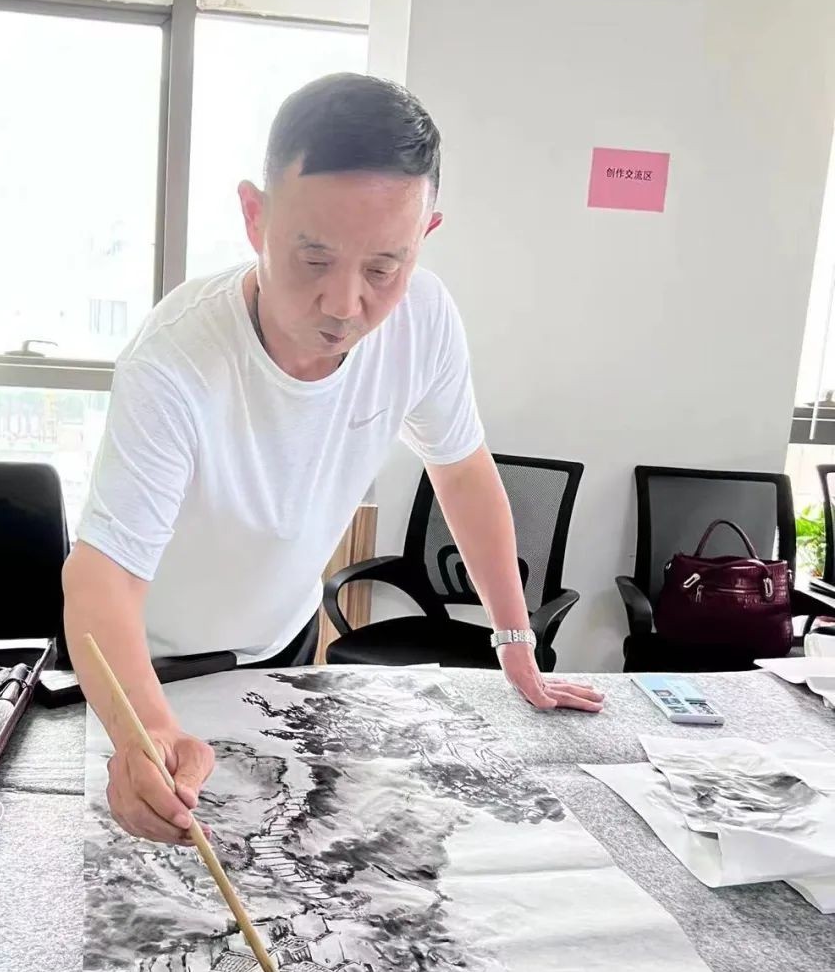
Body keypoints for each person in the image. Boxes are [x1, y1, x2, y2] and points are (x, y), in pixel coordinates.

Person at [64, 73, 603, 845]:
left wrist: (514, 642)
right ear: (255, 216)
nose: (346, 305)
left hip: (283, 646)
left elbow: (461, 469)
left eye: (383, 267)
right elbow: (101, 575)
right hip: (149, 665)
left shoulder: (424, 320)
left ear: (425, 235)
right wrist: (143, 729)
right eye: (313, 258)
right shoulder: (175, 360)